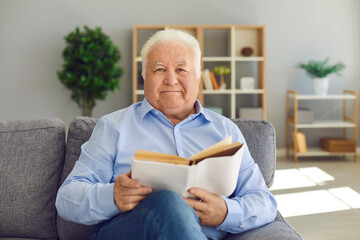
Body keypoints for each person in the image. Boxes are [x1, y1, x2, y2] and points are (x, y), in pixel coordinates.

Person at [56, 29, 277, 240]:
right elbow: (67, 199)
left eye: (181, 69)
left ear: (198, 76)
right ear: (144, 76)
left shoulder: (225, 131)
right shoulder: (113, 127)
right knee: (167, 202)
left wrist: (227, 212)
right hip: (129, 231)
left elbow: (264, 201)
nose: (171, 80)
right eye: (159, 69)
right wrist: (112, 196)